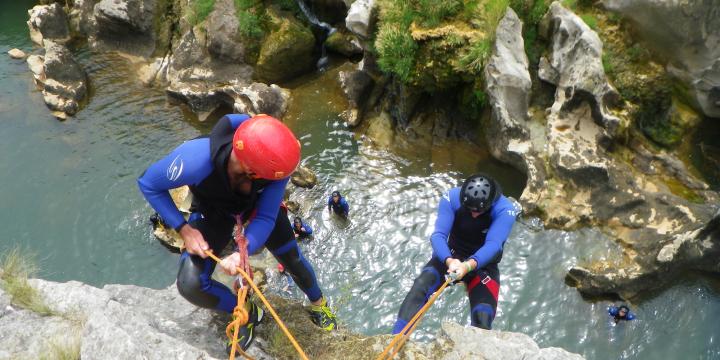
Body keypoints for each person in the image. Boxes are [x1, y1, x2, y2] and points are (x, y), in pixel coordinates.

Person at [137, 114, 337, 352]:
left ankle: (319, 304)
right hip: (213, 211)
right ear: (250, 169)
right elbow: (149, 183)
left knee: (292, 259)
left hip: (257, 208)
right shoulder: (196, 159)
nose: (281, 179)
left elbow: (265, 217)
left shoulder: (272, 167)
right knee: (191, 284)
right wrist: (184, 230)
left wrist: (245, 250)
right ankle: (247, 312)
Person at [391, 174, 517, 333]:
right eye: (470, 210)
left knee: (483, 317)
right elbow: (438, 236)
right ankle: (395, 340)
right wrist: (450, 261)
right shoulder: (451, 197)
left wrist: (468, 265)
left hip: (483, 264)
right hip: (452, 255)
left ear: (490, 203)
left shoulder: (505, 210)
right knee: (420, 287)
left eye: (479, 211)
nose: (474, 215)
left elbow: (494, 245)